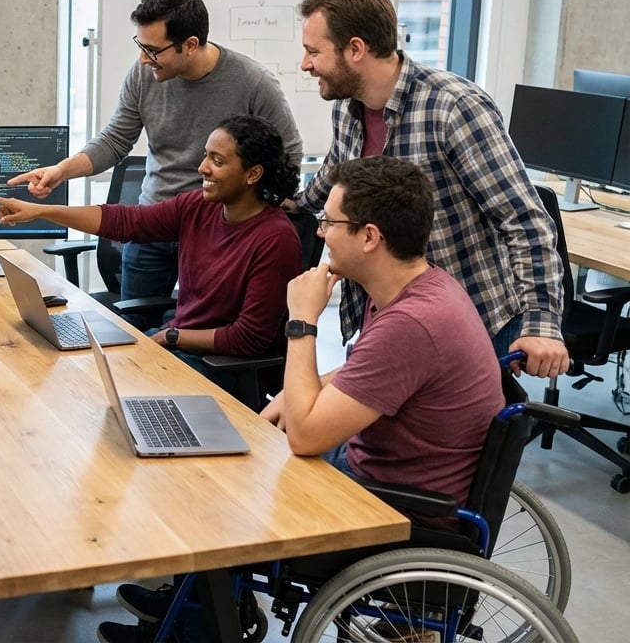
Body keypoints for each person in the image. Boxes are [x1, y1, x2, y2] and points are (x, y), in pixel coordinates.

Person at [101, 157, 507, 643]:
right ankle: (197, 611)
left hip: (391, 513)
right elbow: (368, 372)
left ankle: (200, 626)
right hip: (388, 484)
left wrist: (302, 322)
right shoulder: (423, 289)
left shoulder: (412, 323)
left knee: (215, 490)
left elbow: (309, 436)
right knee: (225, 456)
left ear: (370, 236)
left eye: (329, 223)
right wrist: (290, 401)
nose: (321, 233)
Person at [292, 0, 568, 379]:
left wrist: (541, 322)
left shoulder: (453, 107)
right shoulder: (348, 109)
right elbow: (337, 172)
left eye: (313, 52)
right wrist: (297, 204)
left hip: (470, 317)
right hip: (389, 316)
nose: (305, 64)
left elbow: (524, 219)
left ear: (355, 49)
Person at [7, 0, 301, 327]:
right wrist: (62, 171)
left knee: (201, 332)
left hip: (215, 229)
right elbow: (115, 140)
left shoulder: (253, 83)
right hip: (154, 224)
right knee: (134, 329)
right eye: (140, 46)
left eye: (152, 50)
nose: (144, 59)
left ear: (190, 45)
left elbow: (287, 155)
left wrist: (248, 220)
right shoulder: (144, 75)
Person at [0, 114, 301, 394]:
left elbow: (249, 339)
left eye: (217, 161)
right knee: (77, 372)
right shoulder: (199, 206)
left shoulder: (275, 239)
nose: (202, 167)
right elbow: (126, 221)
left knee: (106, 389)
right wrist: (40, 211)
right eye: (205, 156)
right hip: (178, 348)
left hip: (222, 369)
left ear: (253, 174)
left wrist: (171, 337)